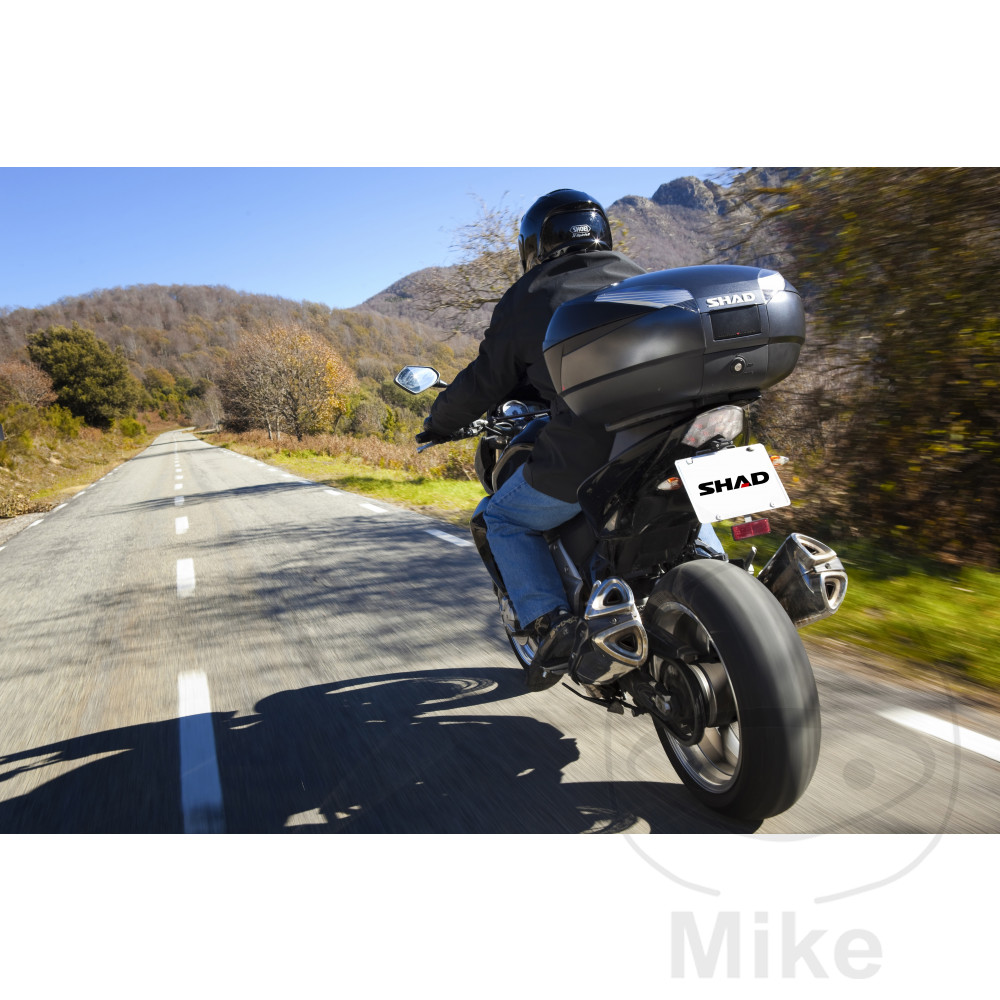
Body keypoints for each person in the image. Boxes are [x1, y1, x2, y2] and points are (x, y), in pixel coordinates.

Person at [418, 189, 646, 689]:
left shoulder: (531, 295)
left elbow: (486, 378)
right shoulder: (638, 277)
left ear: (535, 245)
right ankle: (722, 570)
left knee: (501, 518)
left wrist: (439, 421)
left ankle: (551, 624)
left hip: (592, 449)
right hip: (665, 432)